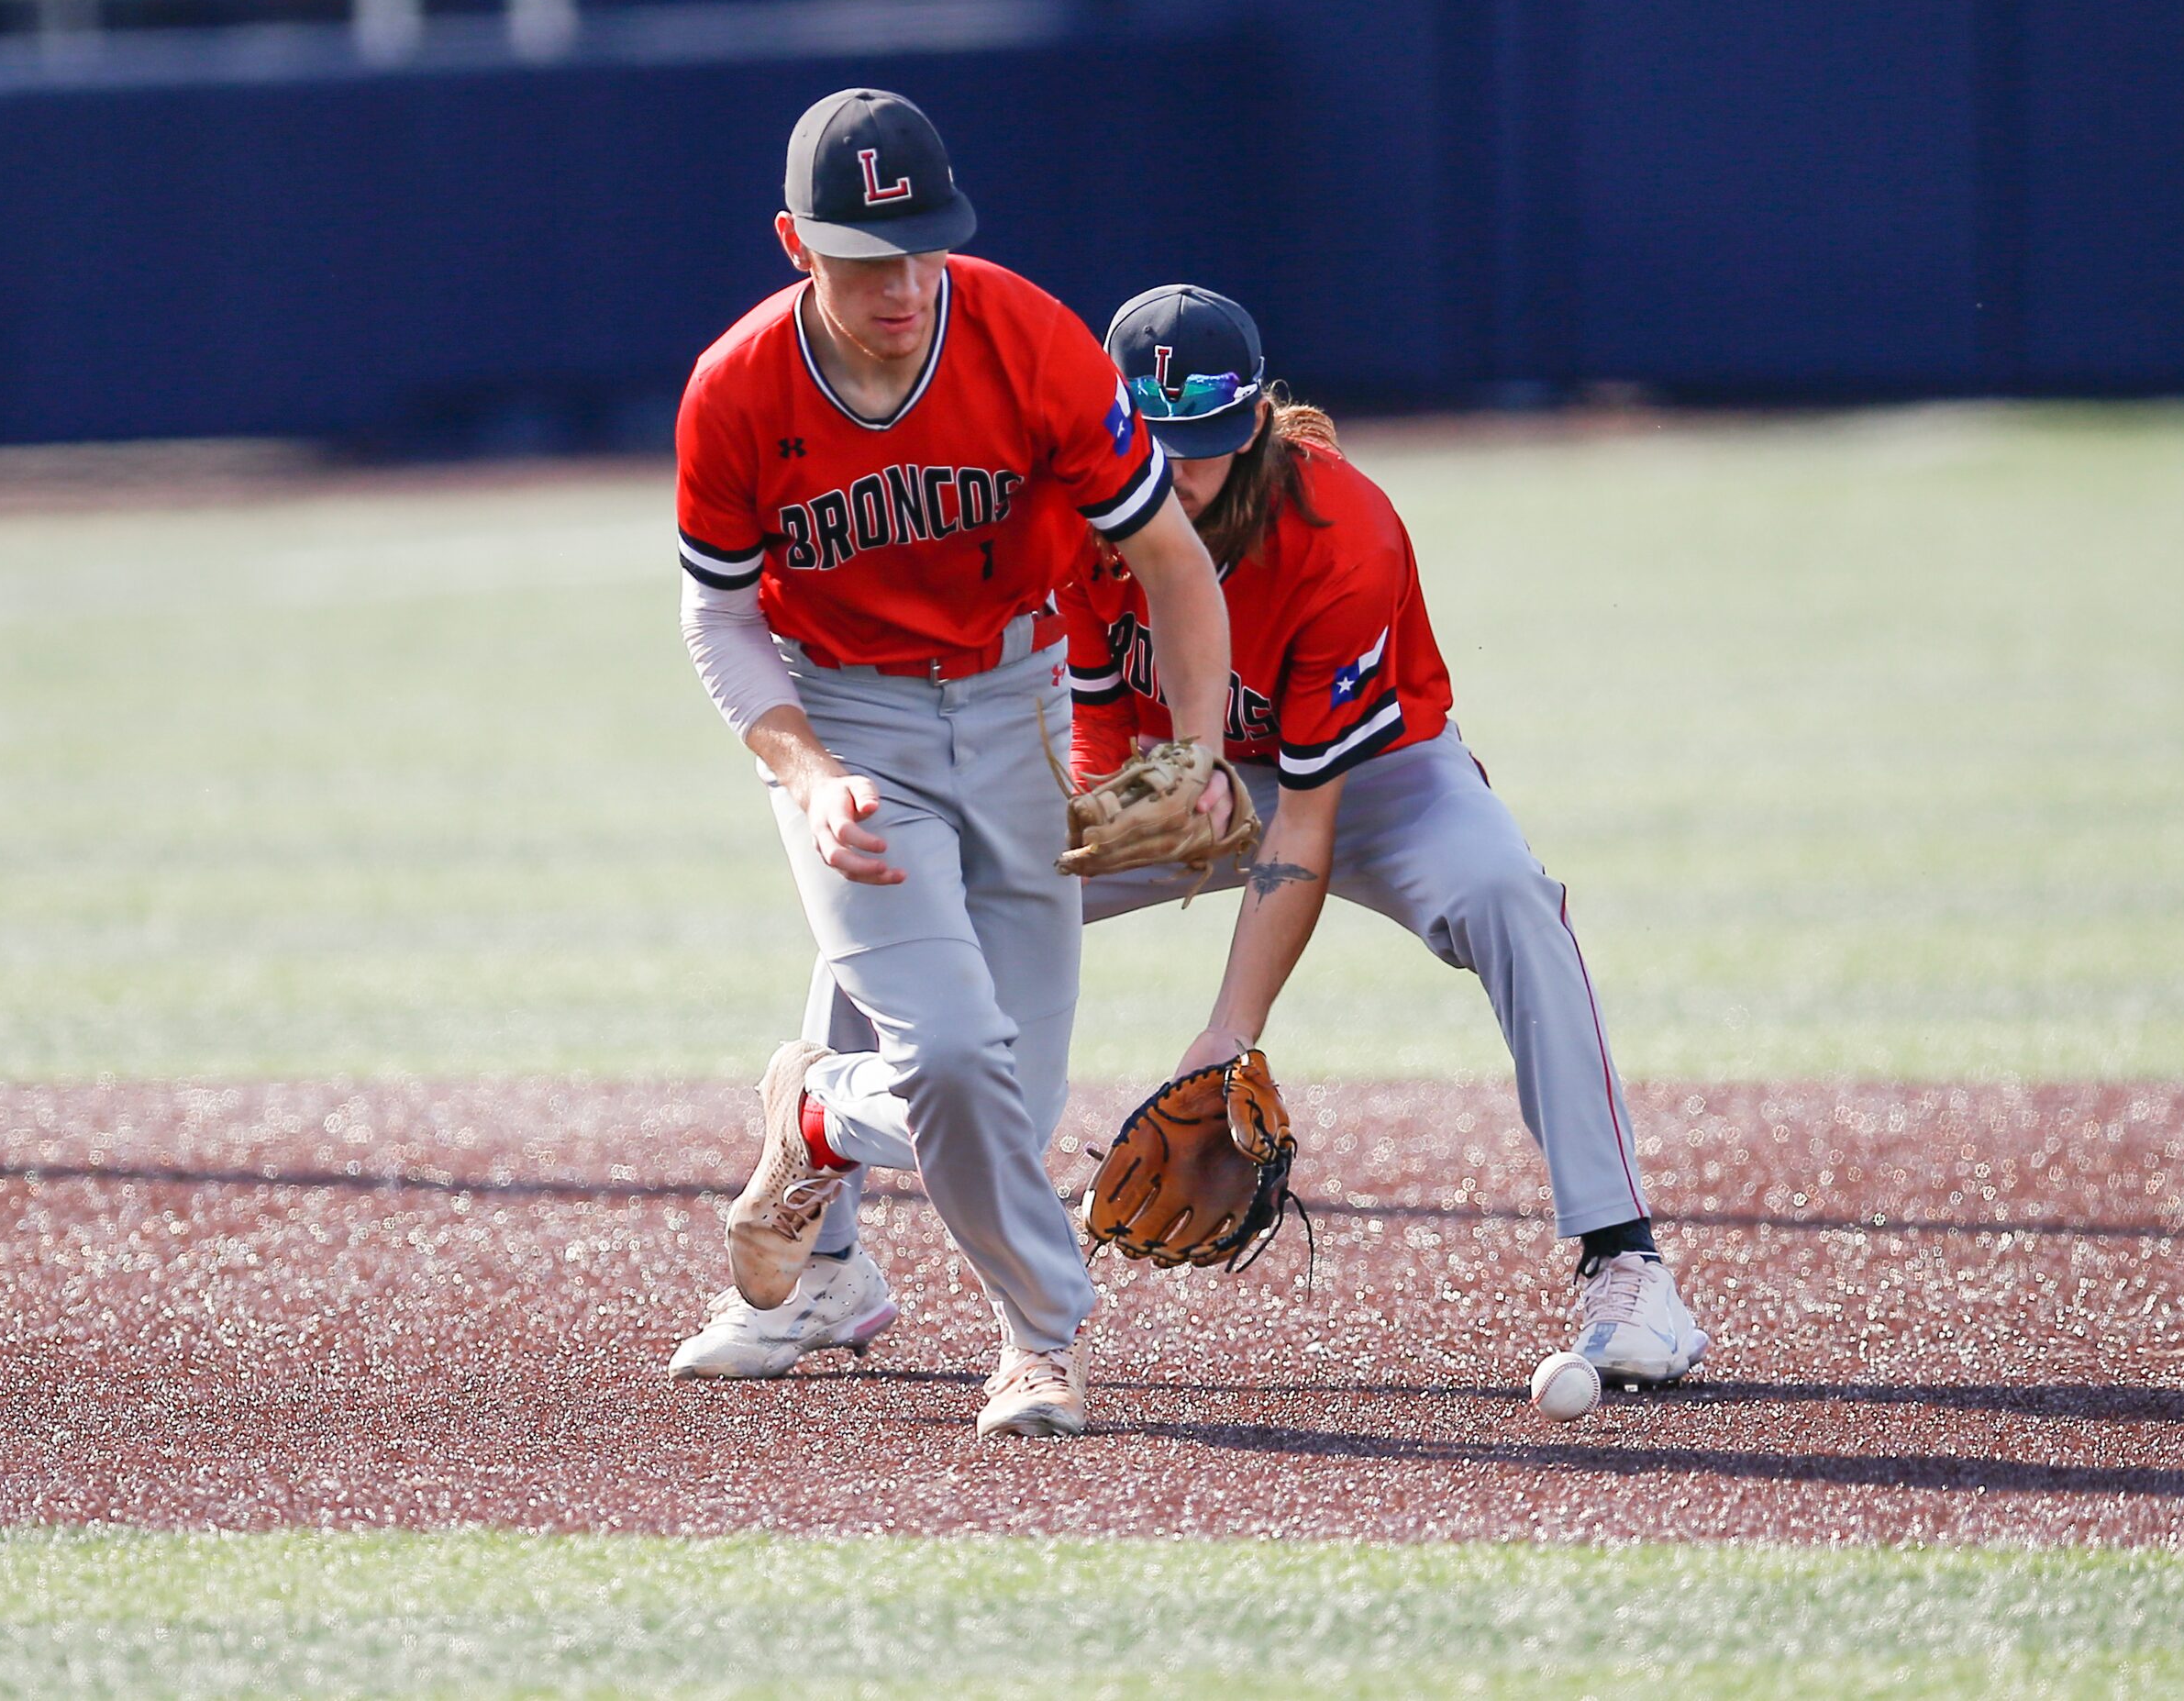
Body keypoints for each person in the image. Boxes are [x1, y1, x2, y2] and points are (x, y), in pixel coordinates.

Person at [659, 89, 1236, 1437]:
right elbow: (717, 612)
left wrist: (1197, 748)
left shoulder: (1025, 337)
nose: (904, 284)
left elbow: (1169, 556)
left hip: (1021, 704)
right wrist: (802, 772)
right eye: (865, 257)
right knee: (958, 1060)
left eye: (923, 248)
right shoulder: (738, 389)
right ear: (795, 241)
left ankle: (814, 1111)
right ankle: (1042, 1342)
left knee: (1009, 1112)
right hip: (851, 727)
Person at [1066, 285, 1707, 1384]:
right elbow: (1103, 758)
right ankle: (824, 1218)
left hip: (1379, 780)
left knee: (1508, 895)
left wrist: (1229, 1031)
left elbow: (1305, 823)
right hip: (1201, 772)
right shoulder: (1077, 518)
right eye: (1153, 450)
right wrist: (1090, 839)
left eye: (1204, 448)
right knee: (964, 876)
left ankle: (1623, 1261)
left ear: (1257, 421)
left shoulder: (1336, 530)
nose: (1176, 478)